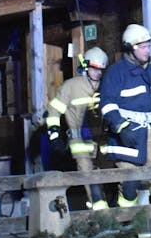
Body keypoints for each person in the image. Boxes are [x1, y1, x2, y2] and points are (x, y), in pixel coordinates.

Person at [99, 24, 151, 212]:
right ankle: (125, 229)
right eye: (143, 47)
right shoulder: (116, 72)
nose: (147, 50)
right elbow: (107, 103)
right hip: (127, 132)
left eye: (148, 46)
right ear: (130, 48)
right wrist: (120, 126)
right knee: (129, 182)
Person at [47, 46, 110, 209]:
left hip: (104, 141)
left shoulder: (106, 85)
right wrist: (54, 135)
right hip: (80, 142)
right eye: (95, 69)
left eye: (102, 70)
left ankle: (113, 213)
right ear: (86, 66)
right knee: (88, 176)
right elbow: (54, 111)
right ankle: (100, 215)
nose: (99, 73)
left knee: (108, 178)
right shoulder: (71, 87)